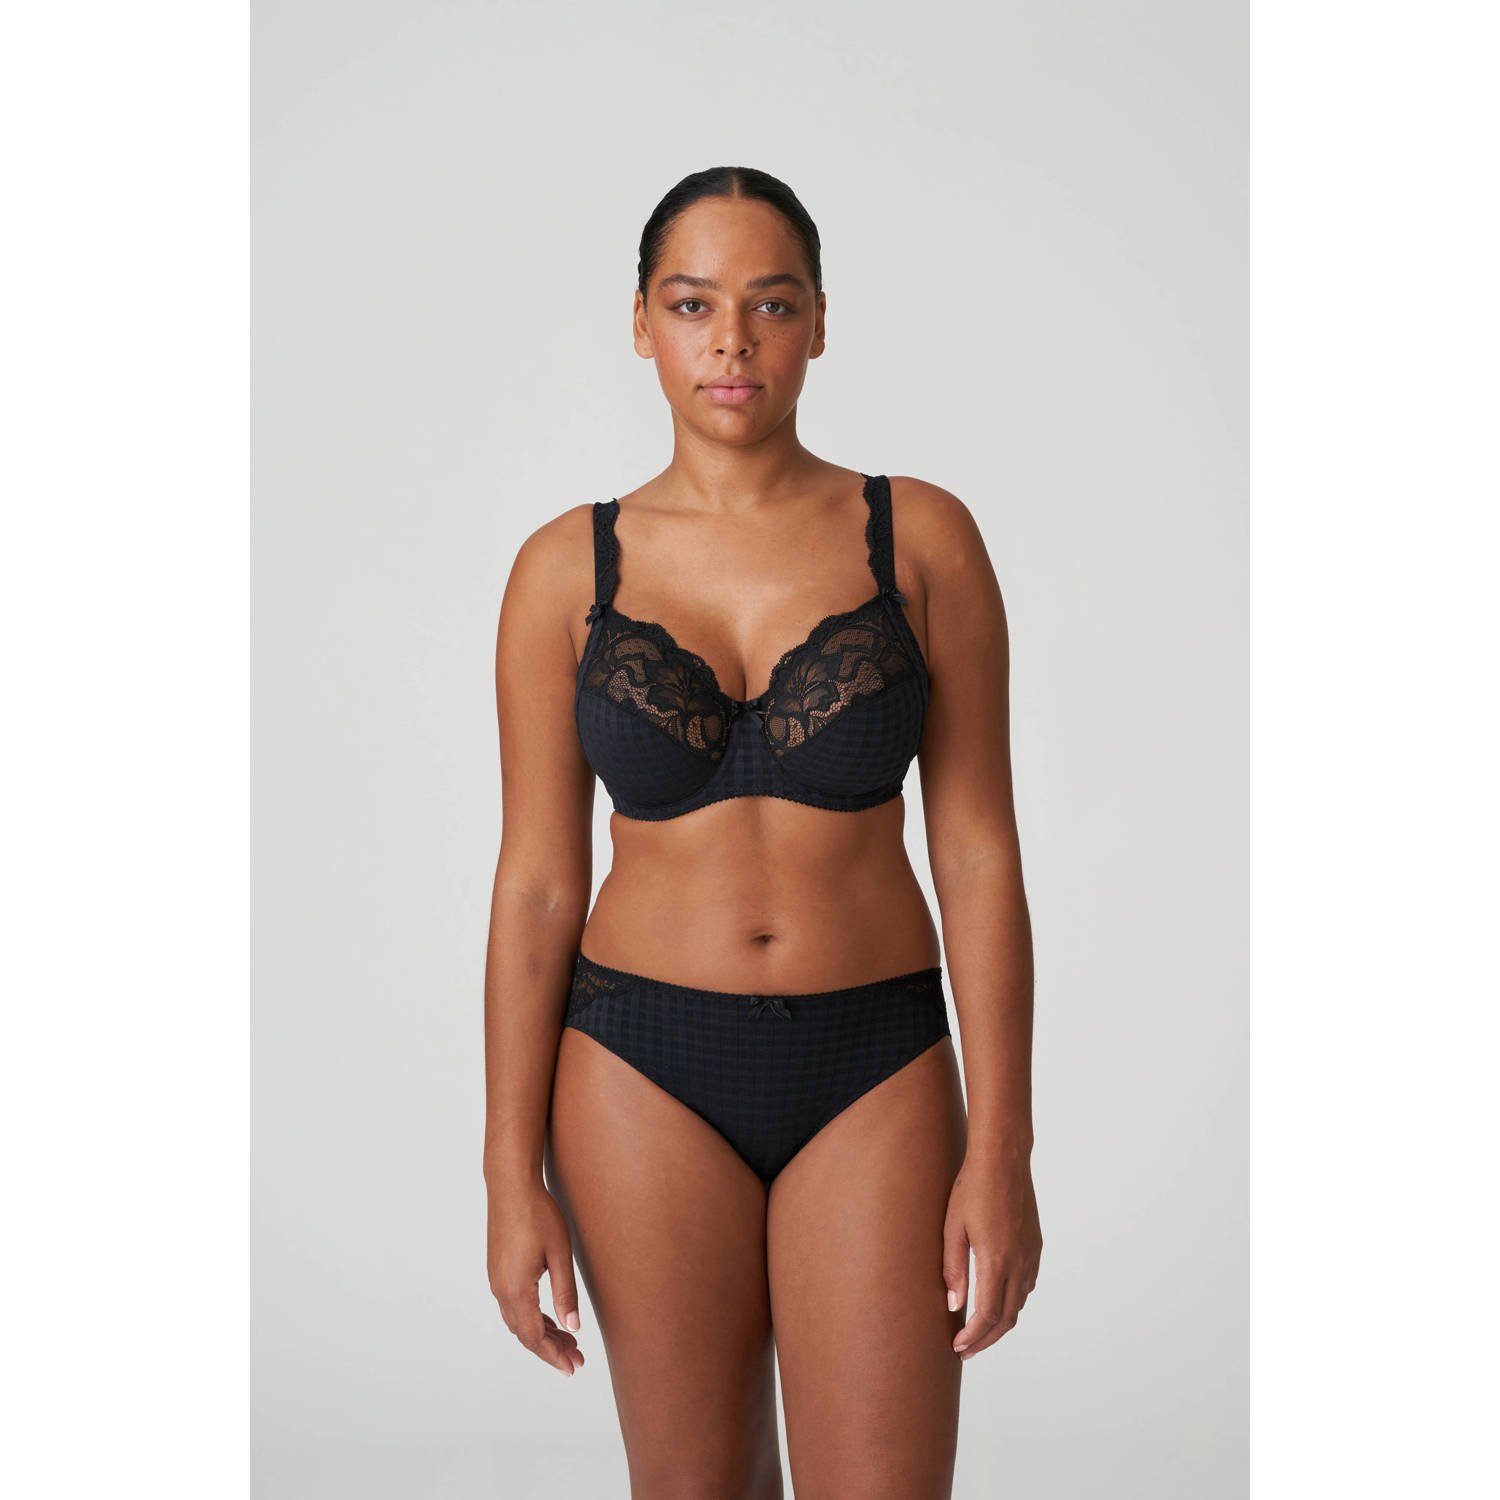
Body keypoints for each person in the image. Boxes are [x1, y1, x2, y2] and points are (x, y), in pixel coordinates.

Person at [483, 165, 1040, 1499]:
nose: (731, 341)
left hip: (876, 1063)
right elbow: (539, 886)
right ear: (642, 325)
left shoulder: (920, 539)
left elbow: (977, 854)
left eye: (770, 304)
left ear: (820, 323)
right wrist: (507, 1173)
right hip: (636, 1067)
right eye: (693, 305)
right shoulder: (564, 569)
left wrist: (1004, 1149)